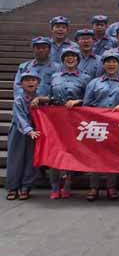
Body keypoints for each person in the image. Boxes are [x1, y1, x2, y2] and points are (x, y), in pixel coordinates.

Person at [31, 46, 90, 200]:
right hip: (55, 118)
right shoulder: (55, 76)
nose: (70, 59)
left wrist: (78, 101)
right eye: (67, 56)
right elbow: (50, 97)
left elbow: (90, 100)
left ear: (78, 59)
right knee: (54, 152)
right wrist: (39, 99)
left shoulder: (85, 77)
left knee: (70, 152)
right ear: (63, 60)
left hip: (74, 118)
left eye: (73, 56)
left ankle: (67, 185)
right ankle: (55, 187)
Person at [82, 50, 119, 201]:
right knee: (95, 156)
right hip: (98, 124)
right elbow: (86, 104)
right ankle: (94, 187)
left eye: (114, 62)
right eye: (108, 62)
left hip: (117, 125)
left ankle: (111, 186)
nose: (111, 65)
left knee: (113, 156)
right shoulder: (94, 83)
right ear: (103, 65)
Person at [6, 72, 42, 201]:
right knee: (15, 159)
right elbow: (19, 118)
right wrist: (29, 130)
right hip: (19, 132)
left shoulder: (40, 98)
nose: (30, 82)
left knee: (31, 159)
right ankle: (13, 187)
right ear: (21, 84)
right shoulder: (19, 99)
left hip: (36, 132)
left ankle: (26, 187)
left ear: (38, 83)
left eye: (33, 80)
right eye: (26, 80)